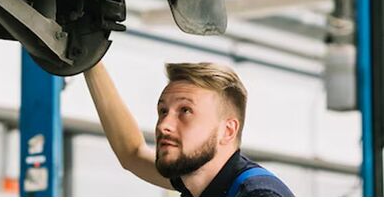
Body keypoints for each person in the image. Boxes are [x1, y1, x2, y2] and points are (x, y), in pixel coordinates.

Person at [84, 61, 294, 197]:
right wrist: (90, 61)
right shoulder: (199, 183)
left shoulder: (258, 197)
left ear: (227, 131)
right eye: (163, 111)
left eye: (185, 111)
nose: (164, 125)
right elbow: (132, 154)